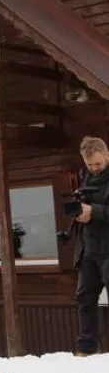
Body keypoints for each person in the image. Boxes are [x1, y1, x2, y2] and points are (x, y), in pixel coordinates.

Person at [72, 136, 109, 356]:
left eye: (98, 163)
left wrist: (93, 212)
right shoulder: (83, 176)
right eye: (90, 164)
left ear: (107, 155)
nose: (94, 168)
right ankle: (86, 347)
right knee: (84, 297)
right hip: (88, 246)